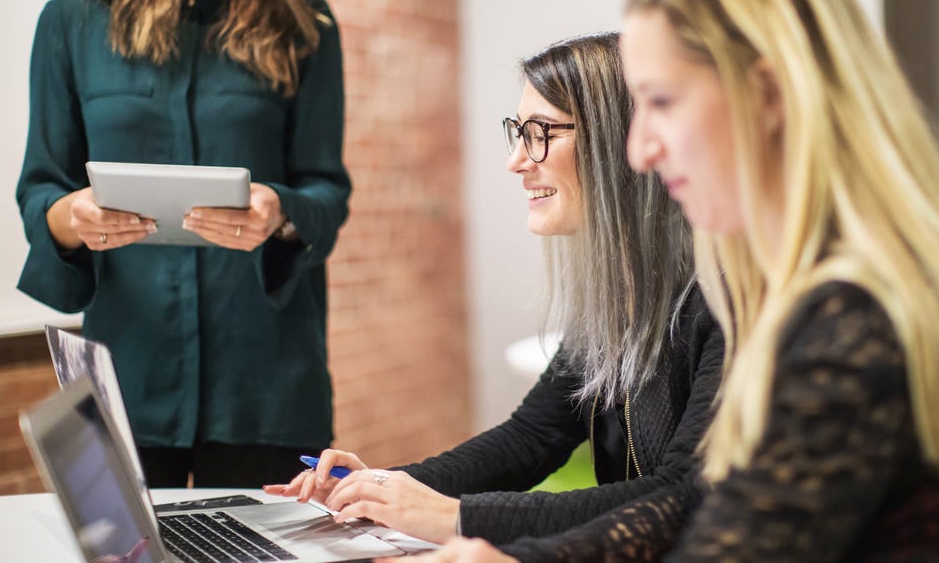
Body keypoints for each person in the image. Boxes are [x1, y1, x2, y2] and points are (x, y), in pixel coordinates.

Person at [405, 0, 939, 563]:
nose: (638, 149)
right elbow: (693, 504)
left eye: (661, 101)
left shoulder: (852, 316)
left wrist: (491, 539)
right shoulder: (814, 285)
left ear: (766, 94)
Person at [265, 32, 724, 560]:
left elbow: (683, 496)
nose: (517, 161)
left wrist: (455, 517)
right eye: (518, 133)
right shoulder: (620, 293)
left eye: (540, 133)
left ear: (621, 141)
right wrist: (382, 488)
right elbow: (531, 437)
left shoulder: (721, 293)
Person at [15, 0, 350, 489]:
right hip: (125, 386)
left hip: (269, 391)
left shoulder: (308, 26)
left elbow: (327, 192)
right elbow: (41, 187)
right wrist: (68, 215)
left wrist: (281, 211)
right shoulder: (71, 25)